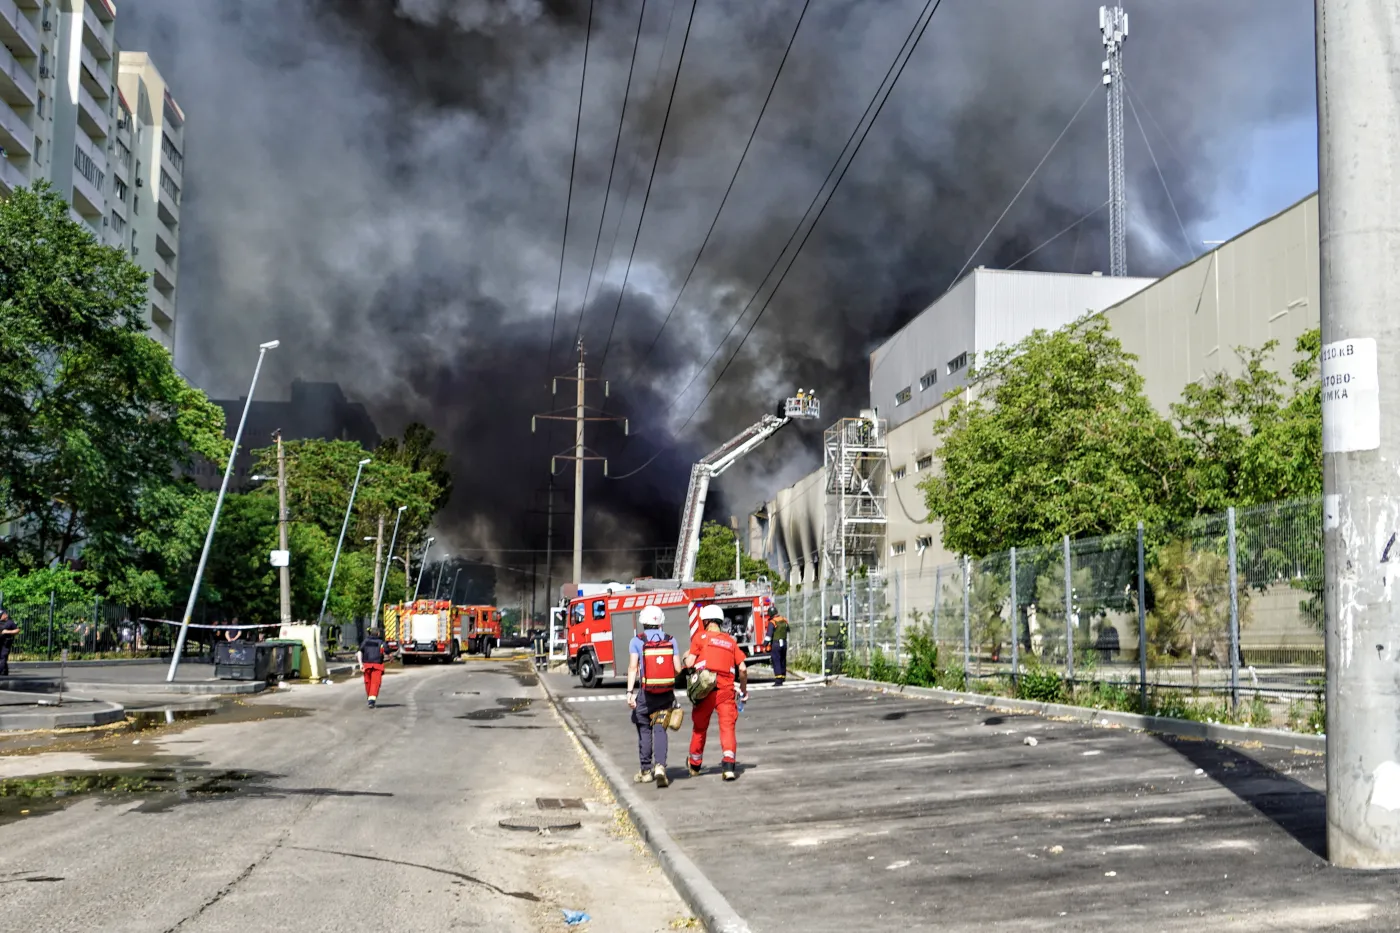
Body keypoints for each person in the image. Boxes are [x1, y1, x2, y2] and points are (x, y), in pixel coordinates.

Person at [685, 604, 748, 781]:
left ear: (705, 621)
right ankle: (728, 767)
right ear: (720, 621)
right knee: (727, 728)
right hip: (726, 691)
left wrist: (686, 658)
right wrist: (743, 690)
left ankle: (695, 765)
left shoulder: (700, 638)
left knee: (699, 728)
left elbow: (689, 663)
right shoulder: (731, 641)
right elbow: (742, 669)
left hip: (706, 690)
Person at [626, 605, 679, 787]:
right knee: (660, 728)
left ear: (643, 622)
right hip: (666, 694)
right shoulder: (671, 640)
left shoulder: (636, 641)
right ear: (660, 622)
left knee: (644, 728)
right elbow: (678, 668)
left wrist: (629, 693)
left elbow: (633, 667)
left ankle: (646, 770)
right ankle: (660, 767)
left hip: (645, 694)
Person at [356, 627, 390, 709]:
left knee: (368, 683)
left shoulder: (365, 641)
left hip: (366, 665)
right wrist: (390, 656)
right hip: (377, 666)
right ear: (378, 633)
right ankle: (371, 700)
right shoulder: (381, 642)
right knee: (375, 683)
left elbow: (360, 652)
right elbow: (387, 651)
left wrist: (360, 664)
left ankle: (370, 698)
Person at [769, 608, 790, 686]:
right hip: (784, 642)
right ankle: (783, 677)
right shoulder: (784, 620)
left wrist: (765, 644)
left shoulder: (772, 622)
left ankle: (778, 680)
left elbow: (769, 635)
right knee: (782, 660)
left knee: (776, 660)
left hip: (776, 643)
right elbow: (788, 629)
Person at [0, 611, 18, 676]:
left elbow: (17, 630)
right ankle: (4, 672)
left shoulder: (10, 622)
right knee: (2, 657)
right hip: (0, 642)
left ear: (5, 615)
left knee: (3, 656)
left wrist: (7, 631)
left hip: (6, 642)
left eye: (1, 615)